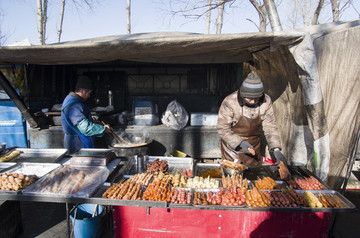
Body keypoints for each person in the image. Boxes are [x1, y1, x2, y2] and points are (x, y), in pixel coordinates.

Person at [217, 71, 287, 166]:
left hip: (254, 146)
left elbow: (270, 127)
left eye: (257, 98)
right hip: (232, 147)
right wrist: (240, 143)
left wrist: (276, 149)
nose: (253, 101)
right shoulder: (230, 102)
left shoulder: (266, 101)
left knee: (253, 174)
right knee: (233, 176)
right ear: (242, 94)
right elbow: (222, 129)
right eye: (249, 99)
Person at [61, 75, 111, 154]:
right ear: (82, 91)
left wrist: (93, 122)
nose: (89, 96)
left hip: (78, 142)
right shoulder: (74, 105)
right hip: (77, 144)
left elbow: (78, 123)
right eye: (88, 93)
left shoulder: (73, 100)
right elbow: (85, 128)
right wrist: (103, 129)